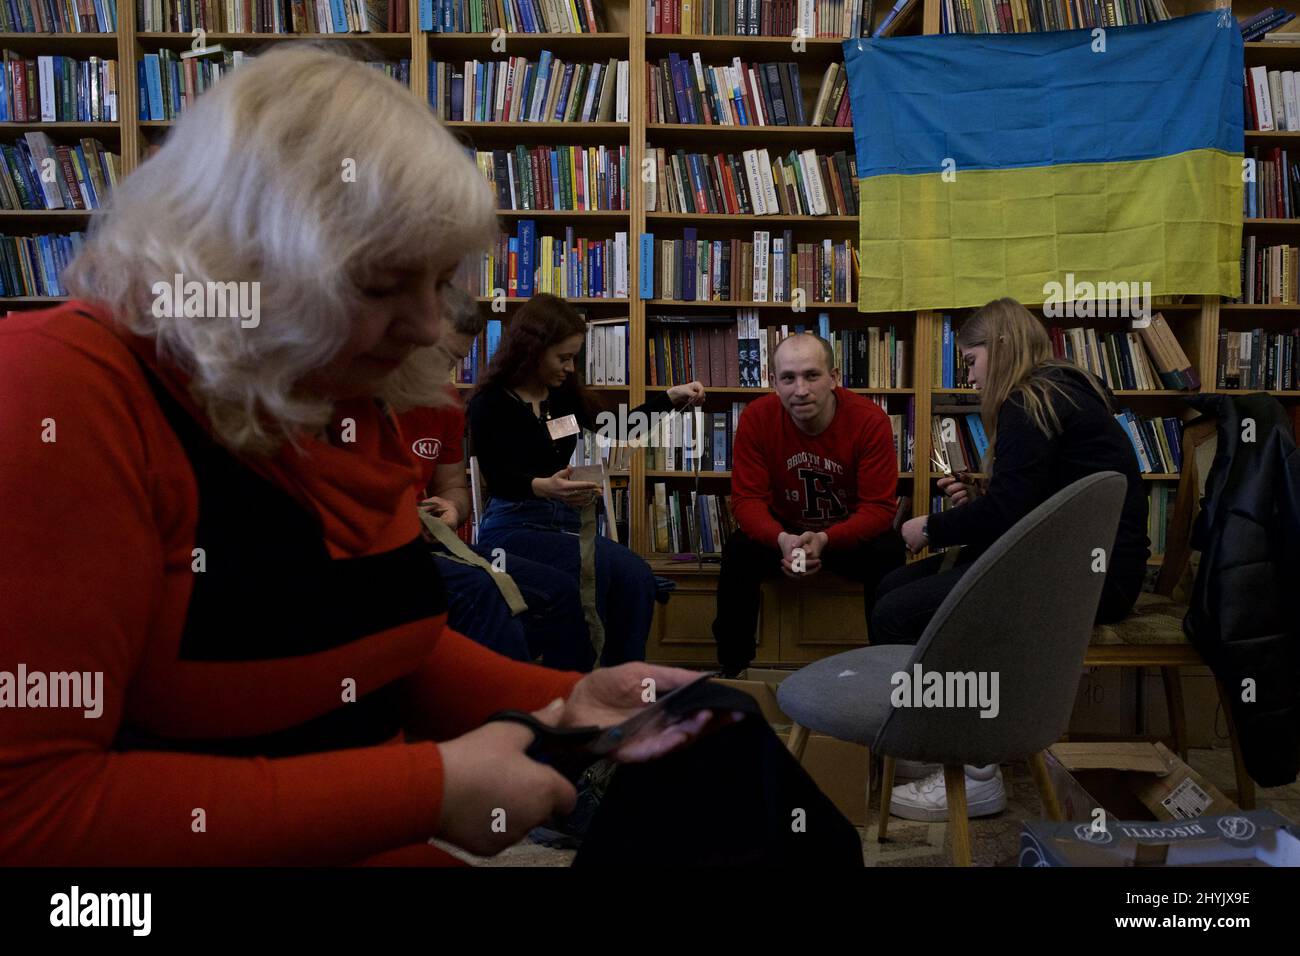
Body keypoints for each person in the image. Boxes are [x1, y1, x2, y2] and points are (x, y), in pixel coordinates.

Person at [0, 45, 718, 866]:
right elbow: (30, 815)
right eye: (378, 285)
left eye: (439, 282)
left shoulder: (342, 383)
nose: (425, 325)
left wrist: (564, 701)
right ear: (240, 263)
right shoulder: (57, 394)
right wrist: (428, 788)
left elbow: (375, 649)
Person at [876, 296, 1150, 822]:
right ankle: (924, 741)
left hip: (1087, 581)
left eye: (972, 360)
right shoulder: (1061, 390)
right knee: (894, 588)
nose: (971, 377)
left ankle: (971, 768)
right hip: (1089, 568)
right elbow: (1032, 506)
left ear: (999, 350)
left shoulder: (1029, 403)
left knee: (899, 610)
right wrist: (978, 505)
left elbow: (1009, 516)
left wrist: (928, 526)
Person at [466, 293, 706, 667]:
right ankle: (579, 688)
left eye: (574, 357)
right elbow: (499, 477)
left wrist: (669, 398)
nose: (570, 367)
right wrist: (545, 487)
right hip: (513, 524)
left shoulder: (563, 396)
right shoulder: (489, 404)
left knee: (636, 576)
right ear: (532, 349)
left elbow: (620, 428)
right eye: (563, 357)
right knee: (597, 576)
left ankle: (621, 682)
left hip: (562, 523)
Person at [392, 288, 592, 670]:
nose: (445, 374)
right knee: (488, 594)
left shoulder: (448, 402)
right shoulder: (364, 398)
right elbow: (501, 478)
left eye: (456, 361)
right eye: (440, 357)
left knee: (563, 592)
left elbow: (454, 488)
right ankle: (519, 711)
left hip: (437, 543)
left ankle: (570, 707)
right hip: (399, 548)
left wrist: (451, 509)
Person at [711, 332, 906, 676]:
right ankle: (733, 670)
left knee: (888, 549)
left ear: (834, 378)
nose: (800, 390)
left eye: (812, 376)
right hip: (784, 536)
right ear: (774, 382)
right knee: (739, 550)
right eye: (788, 378)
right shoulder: (757, 418)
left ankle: (888, 671)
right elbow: (747, 501)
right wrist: (783, 540)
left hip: (845, 537)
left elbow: (878, 508)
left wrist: (825, 540)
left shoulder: (869, 420)